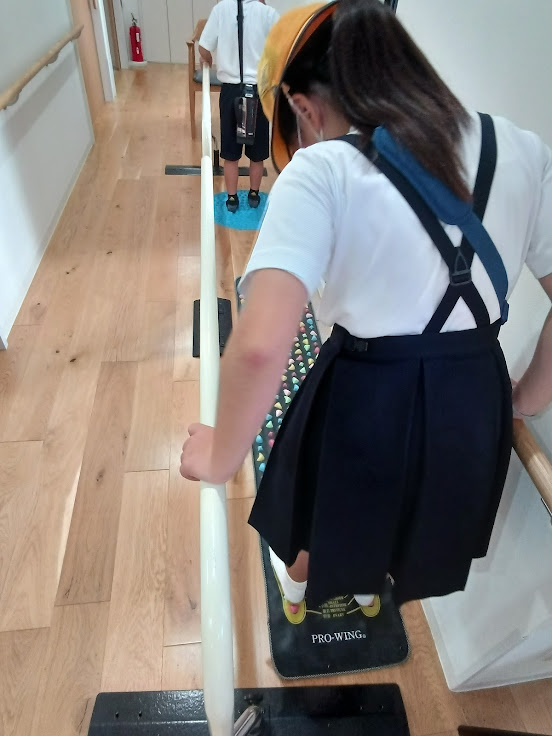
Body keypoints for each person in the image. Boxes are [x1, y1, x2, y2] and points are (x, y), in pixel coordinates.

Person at [181, 0, 552, 619]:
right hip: (475, 395)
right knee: (414, 518)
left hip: (367, 389)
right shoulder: (520, 148)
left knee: (322, 510)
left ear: (304, 107)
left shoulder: (323, 169)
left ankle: (296, 592)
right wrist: (528, 397)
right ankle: (365, 590)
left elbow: (260, 346)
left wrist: (220, 455)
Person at [199, 0, 279, 212]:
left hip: (230, 91)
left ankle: (232, 198)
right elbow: (283, 48)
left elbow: (204, 47)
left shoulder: (221, 9)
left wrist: (206, 59)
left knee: (230, 152)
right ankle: (254, 194)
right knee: (257, 152)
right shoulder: (268, 13)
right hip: (258, 91)